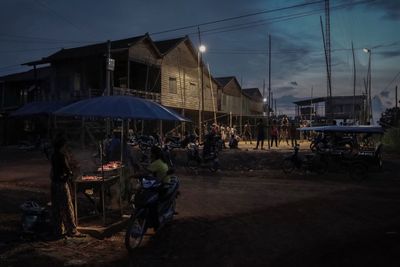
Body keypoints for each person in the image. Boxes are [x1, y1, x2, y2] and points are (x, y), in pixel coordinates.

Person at [50, 136, 85, 238]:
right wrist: (72, 172)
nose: (66, 147)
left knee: (56, 208)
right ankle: (72, 230)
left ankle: (58, 230)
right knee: (68, 207)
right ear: (62, 146)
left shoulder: (53, 155)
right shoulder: (61, 156)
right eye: (65, 145)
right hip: (61, 184)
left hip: (54, 184)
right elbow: (67, 170)